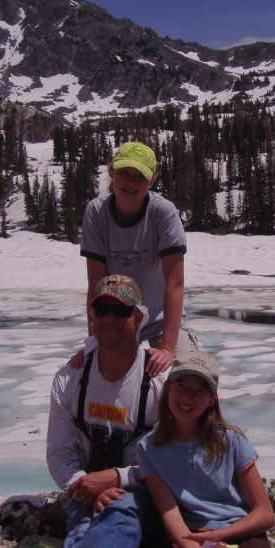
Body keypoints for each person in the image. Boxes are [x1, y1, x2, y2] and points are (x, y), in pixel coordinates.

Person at [47, 274, 170, 548]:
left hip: (143, 491)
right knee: (82, 531)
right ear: (92, 317)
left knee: (119, 513)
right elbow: (59, 452)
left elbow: (174, 459)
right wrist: (83, 485)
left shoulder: (161, 382)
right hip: (84, 491)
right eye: (102, 311)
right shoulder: (70, 379)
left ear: (139, 317)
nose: (109, 320)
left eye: (121, 311)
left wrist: (118, 478)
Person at [137, 348, 275, 548]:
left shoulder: (231, 440)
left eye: (199, 391)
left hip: (238, 528)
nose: (187, 398)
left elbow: (264, 513)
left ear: (212, 400)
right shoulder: (149, 448)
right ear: (167, 389)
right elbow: (170, 514)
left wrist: (219, 537)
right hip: (190, 532)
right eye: (181, 388)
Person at [78, 141, 193, 376]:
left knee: (186, 376)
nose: (130, 183)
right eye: (124, 173)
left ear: (152, 180)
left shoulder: (163, 212)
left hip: (161, 320)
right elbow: (96, 286)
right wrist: (94, 341)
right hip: (116, 319)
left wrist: (168, 349)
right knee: (96, 375)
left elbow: (175, 283)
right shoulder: (96, 212)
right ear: (111, 173)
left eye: (139, 176)